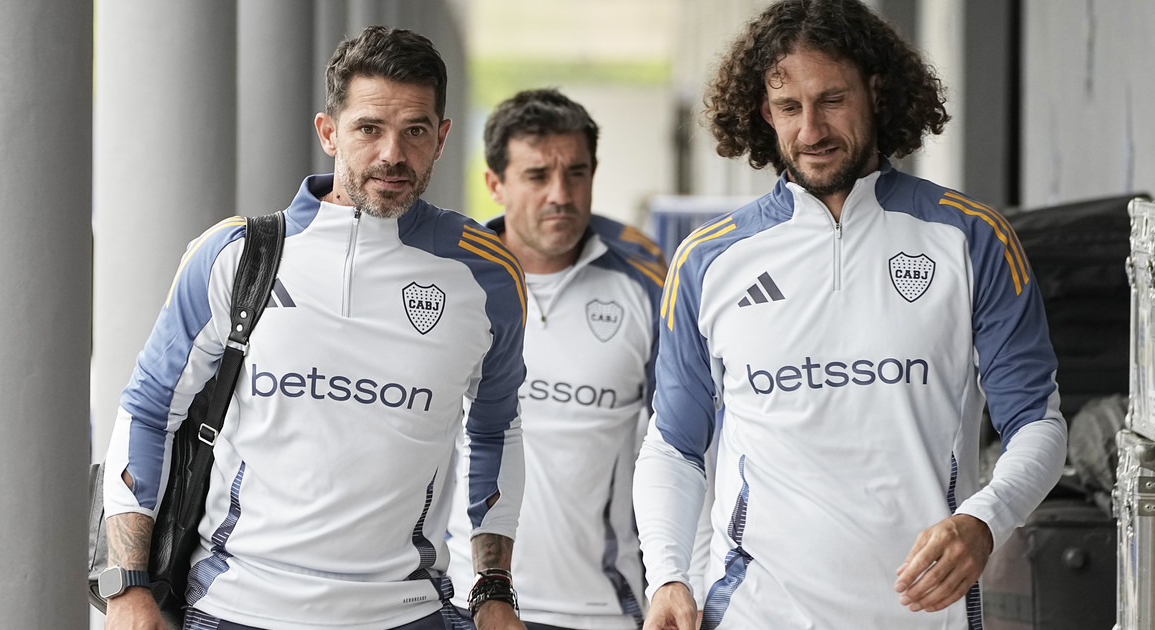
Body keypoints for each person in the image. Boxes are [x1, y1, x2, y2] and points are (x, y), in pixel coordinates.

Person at [632, 1, 1069, 628]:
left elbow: (1037, 423)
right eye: (788, 107)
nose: (811, 129)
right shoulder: (708, 261)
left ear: (876, 91)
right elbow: (675, 446)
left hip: (925, 615)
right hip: (757, 613)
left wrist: (985, 519)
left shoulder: (971, 238)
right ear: (764, 113)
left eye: (832, 100)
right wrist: (668, 575)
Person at [101, 25, 529, 630]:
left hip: (404, 614)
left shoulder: (485, 273)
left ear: (441, 138)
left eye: (415, 131)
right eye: (369, 129)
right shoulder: (236, 255)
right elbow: (149, 411)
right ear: (329, 132)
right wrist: (126, 585)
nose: (392, 154)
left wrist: (493, 588)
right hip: (234, 609)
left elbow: (495, 431)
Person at [445, 89, 667, 630]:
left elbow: (687, 448)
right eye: (538, 175)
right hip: (461, 603)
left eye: (576, 173)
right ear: (495, 184)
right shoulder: (449, 280)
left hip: (601, 610)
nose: (560, 194)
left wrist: (689, 580)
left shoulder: (647, 284)